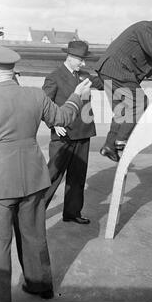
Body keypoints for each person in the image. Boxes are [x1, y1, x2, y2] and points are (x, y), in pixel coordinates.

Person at [0, 43, 92, 302]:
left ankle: (0, 298)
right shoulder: (35, 96)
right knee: (34, 236)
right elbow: (64, 117)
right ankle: (41, 285)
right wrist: (77, 96)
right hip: (33, 180)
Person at [95, 5, 152, 162]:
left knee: (122, 111)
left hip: (109, 70)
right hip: (117, 70)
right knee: (139, 102)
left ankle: (109, 146)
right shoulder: (145, 29)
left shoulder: (146, 36)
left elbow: (142, 63)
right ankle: (121, 142)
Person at [42, 40, 103, 225]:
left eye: (84, 60)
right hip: (63, 134)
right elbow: (44, 104)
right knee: (52, 176)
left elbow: (105, 83)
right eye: (81, 60)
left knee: (78, 176)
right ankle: (34, 213)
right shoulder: (54, 77)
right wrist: (53, 123)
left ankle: (72, 212)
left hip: (84, 133)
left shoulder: (85, 75)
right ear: (70, 57)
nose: (83, 64)